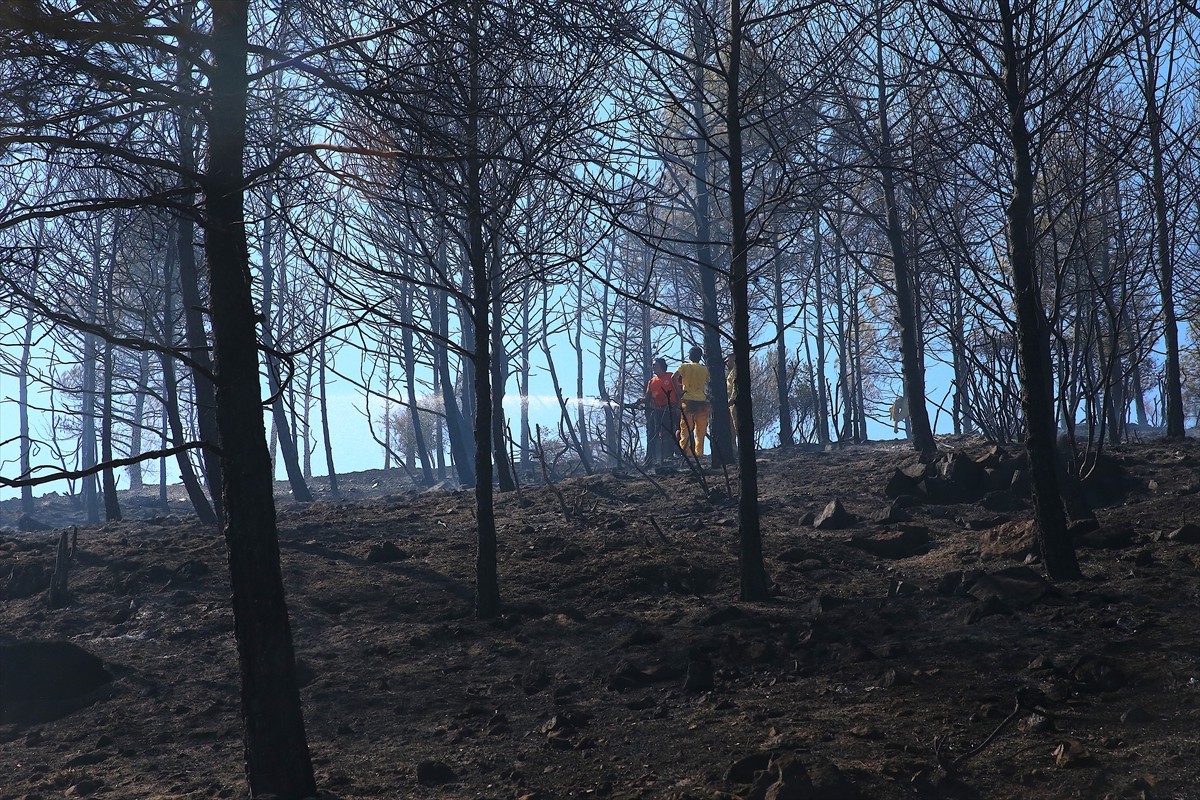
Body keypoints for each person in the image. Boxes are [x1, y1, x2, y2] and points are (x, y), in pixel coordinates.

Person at [673, 345, 710, 458]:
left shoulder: (685, 367)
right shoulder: (705, 369)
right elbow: (709, 382)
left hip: (688, 400)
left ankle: (686, 453)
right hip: (702, 401)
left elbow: (673, 377)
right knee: (701, 430)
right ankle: (699, 453)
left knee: (685, 428)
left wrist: (679, 391)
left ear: (689, 356)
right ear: (700, 356)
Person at [643, 357, 678, 465]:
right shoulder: (652, 382)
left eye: (655, 365)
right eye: (653, 365)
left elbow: (679, 391)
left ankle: (669, 455)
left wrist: (678, 406)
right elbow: (648, 397)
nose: (653, 367)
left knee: (669, 432)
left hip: (671, 409)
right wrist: (642, 400)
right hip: (658, 411)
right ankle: (653, 458)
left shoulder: (671, 377)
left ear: (662, 366)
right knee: (654, 433)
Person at [725, 352, 738, 447]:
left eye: (728, 360)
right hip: (729, 403)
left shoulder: (735, 372)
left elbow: (735, 387)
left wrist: (732, 399)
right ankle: (734, 447)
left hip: (734, 402)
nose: (726, 362)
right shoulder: (729, 372)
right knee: (731, 427)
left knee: (736, 424)